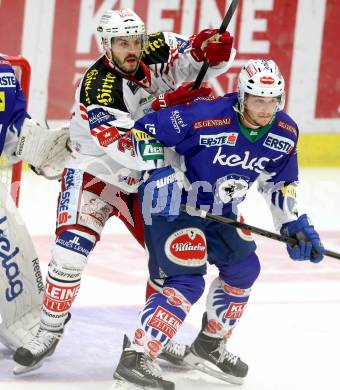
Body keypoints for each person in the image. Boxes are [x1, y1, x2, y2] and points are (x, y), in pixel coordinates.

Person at [12, 8, 236, 374]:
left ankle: (151, 338)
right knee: (69, 256)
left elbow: (201, 63)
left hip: (146, 180)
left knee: (170, 261)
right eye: (121, 43)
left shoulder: (157, 45)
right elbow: (132, 150)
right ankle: (49, 330)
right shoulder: (98, 86)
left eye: (135, 41)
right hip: (96, 177)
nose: (132, 49)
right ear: (105, 45)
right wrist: (164, 112)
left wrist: (212, 51)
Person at [110, 59, 325, 389]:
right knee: (187, 280)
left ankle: (209, 345)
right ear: (241, 96)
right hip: (173, 203)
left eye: (273, 101)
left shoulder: (284, 132)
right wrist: (159, 170)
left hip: (220, 210)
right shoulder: (204, 116)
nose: (266, 110)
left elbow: (279, 183)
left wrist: (293, 222)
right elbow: (145, 129)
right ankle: (138, 354)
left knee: (244, 268)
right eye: (258, 101)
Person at [0, 54, 70, 350]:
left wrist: (44, 147)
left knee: (9, 234)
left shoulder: (3, 70)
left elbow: (14, 128)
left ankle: (25, 319)